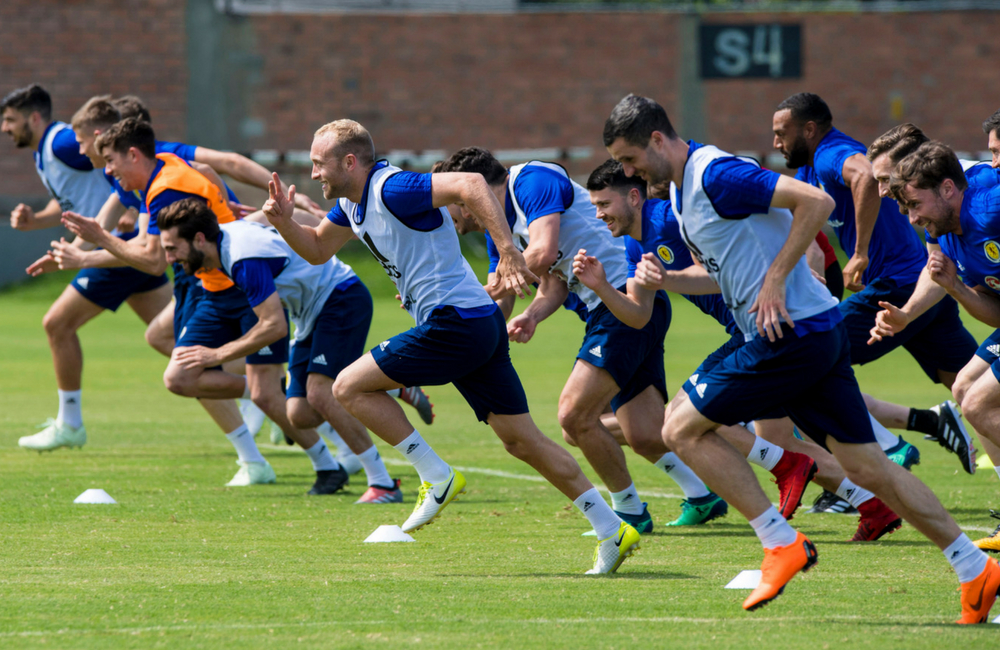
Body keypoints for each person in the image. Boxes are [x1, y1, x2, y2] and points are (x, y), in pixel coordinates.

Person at [605, 93, 998, 620]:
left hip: (791, 334)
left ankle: (780, 542)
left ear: (656, 139)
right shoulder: (680, 195)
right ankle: (975, 567)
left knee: (679, 427)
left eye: (629, 159)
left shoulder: (716, 173)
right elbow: (722, 272)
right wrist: (670, 279)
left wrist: (775, 280)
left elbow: (817, 204)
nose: (627, 172)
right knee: (870, 468)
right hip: (812, 331)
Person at [262, 119, 640, 573]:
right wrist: (284, 222)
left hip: (456, 323)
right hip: (476, 323)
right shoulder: (350, 205)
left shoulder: (393, 188)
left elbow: (471, 182)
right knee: (523, 442)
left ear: (349, 162)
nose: (314, 172)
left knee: (346, 387)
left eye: (319, 163)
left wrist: (506, 249)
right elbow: (319, 249)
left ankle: (435, 474)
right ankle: (612, 528)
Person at [577, 159, 900, 540]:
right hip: (757, 332)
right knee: (777, 440)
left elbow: (746, 252)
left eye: (603, 205)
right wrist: (601, 288)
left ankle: (784, 498)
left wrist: (794, 272)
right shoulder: (634, 245)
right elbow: (637, 315)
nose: (598, 216)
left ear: (633, 196)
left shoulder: (671, 219)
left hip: (767, 330)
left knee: (683, 419)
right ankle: (872, 504)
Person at [440, 147, 727, 530]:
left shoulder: (531, 180)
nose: (454, 219)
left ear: (472, 192)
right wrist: (524, 316)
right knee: (643, 433)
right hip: (610, 311)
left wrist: (472, 294)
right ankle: (702, 494)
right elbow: (542, 284)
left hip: (624, 301)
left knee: (574, 417)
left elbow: (540, 254)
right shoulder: (500, 232)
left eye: (453, 205)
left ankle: (629, 511)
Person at [773, 93, 977, 475]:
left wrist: (861, 251)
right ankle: (927, 426)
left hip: (893, 286)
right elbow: (811, 238)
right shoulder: (807, 173)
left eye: (782, 133)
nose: (776, 143)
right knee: (977, 390)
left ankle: (885, 451)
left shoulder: (831, 153)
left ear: (809, 129)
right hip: (924, 285)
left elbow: (865, 174)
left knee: (803, 359)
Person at [157, 199, 404, 502]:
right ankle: (380, 385)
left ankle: (383, 483)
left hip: (341, 298)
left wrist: (217, 355)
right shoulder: (224, 243)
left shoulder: (241, 258)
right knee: (299, 414)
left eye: (172, 248)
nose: (169, 258)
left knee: (320, 392)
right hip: (310, 313)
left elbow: (274, 326)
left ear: (198, 239)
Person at [1, 84, 172, 452]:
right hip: (120, 247)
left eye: (10, 119)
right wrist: (34, 220)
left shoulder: (62, 142)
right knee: (182, 342)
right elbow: (76, 198)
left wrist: (133, 207)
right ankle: (256, 389)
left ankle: (70, 423)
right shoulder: (46, 153)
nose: (5, 128)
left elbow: (122, 154)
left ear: (34, 117)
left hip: (113, 248)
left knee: (56, 324)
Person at [878, 141, 1000, 554]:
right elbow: (994, 315)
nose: (912, 218)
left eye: (914, 204)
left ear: (948, 188)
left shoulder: (989, 206)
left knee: (979, 403)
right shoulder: (948, 233)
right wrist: (917, 309)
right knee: (965, 389)